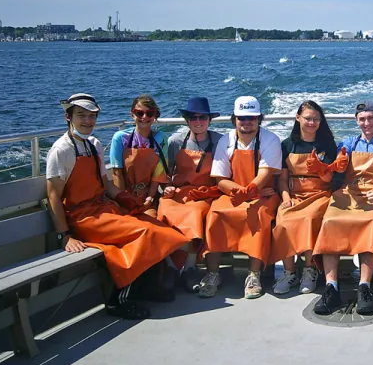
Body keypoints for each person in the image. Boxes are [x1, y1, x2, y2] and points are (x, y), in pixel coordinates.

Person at [46, 93, 190, 319]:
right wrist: (64, 236)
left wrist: (127, 199)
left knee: (160, 228)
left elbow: (105, 185)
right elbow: (53, 197)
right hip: (83, 218)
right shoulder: (61, 150)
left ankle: (147, 287)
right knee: (145, 233)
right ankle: (118, 301)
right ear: (68, 116)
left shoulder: (93, 144)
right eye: (81, 115)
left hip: (104, 209)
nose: (87, 121)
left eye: (92, 116)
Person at [312, 101, 373, 315]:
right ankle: (331, 287)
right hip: (349, 192)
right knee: (330, 220)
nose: (366, 123)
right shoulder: (348, 144)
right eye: (362, 119)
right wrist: (332, 166)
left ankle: (365, 286)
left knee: (372, 222)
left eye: (370, 118)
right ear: (356, 121)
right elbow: (335, 170)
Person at [200, 96, 282, 299]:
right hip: (234, 192)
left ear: (259, 119)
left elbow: (265, 175)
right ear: (234, 119)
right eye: (242, 118)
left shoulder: (270, 139)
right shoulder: (225, 141)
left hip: (265, 193)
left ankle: (254, 275)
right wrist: (245, 192)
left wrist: (251, 192)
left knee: (259, 216)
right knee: (215, 214)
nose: (246, 122)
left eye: (251, 118)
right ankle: (212, 274)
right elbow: (220, 179)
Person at [270, 101, 340, 295]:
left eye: (316, 119)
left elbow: (329, 178)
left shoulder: (326, 145)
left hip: (319, 194)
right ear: (297, 118)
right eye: (308, 118)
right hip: (293, 193)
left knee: (309, 219)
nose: (312, 122)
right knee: (283, 220)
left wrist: (320, 168)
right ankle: (289, 271)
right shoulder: (287, 144)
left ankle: (310, 270)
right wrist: (285, 197)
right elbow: (282, 179)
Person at [157, 97, 222, 292]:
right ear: (187, 120)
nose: (198, 121)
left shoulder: (219, 141)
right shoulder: (175, 141)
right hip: (178, 193)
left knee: (195, 214)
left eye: (203, 117)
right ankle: (170, 266)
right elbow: (166, 173)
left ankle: (190, 267)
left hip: (206, 194)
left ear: (209, 120)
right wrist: (167, 187)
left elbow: (226, 173)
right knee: (161, 213)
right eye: (193, 118)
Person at [109, 94, 169, 217]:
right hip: (123, 197)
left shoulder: (161, 138)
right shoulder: (120, 138)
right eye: (139, 113)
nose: (144, 117)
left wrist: (150, 199)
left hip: (148, 197)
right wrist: (124, 201)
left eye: (150, 113)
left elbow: (158, 175)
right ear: (132, 114)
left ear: (155, 115)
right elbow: (116, 173)